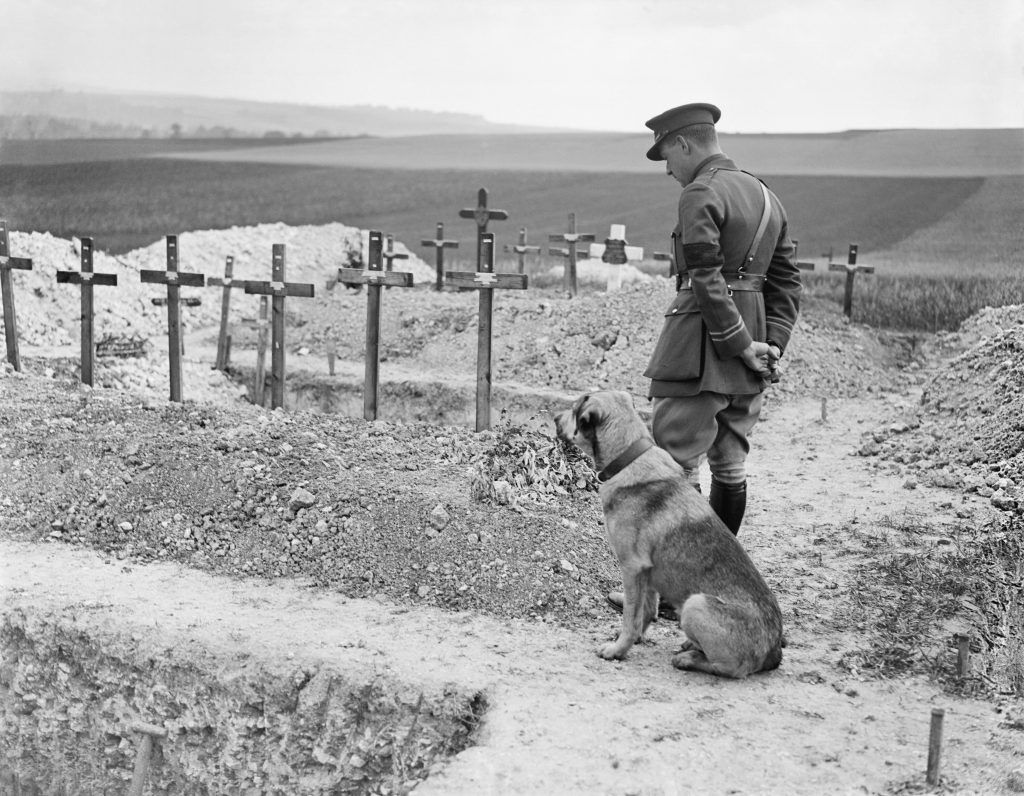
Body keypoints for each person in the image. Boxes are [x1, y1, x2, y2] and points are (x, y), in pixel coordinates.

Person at [608, 102, 801, 614]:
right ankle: (711, 587)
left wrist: (736, 341)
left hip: (701, 346)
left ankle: (674, 595)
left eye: (666, 156)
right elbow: (787, 282)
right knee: (731, 466)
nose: (668, 170)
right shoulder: (766, 196)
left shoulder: (701, 191)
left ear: (684, 144)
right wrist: (769, 344)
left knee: (674, 466)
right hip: (752, 352)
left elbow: (707, 277)